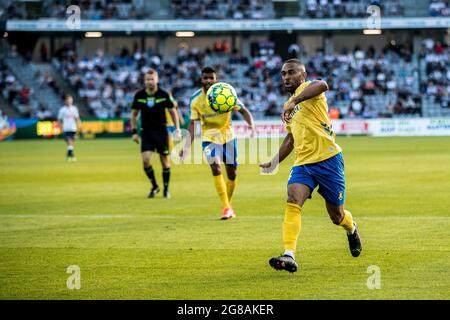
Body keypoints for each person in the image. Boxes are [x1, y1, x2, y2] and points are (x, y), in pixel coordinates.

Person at [260, 59, 362, 273]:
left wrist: (294, 100)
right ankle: (289, 255)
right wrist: (274, 162)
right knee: (293, 200)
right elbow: (291, 138)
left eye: (291, 73)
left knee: (337, 216)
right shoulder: (290, 106)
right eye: (283, 74)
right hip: (303, 164)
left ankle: (351, 228)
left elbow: (323, 84)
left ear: (302, 75)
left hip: (328, 160)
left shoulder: (309, 89)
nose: (286, 77)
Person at [179, 67, 255, 220]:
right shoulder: (195, 99)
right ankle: (226, 208)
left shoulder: (226, 92)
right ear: (201, 79)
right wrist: (186, 147)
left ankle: (228, 204)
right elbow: (193, 125)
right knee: (215, 166)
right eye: (205, 78)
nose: (208, 81)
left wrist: (251, 125)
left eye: (211, 78)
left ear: (216, 79)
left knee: (232, 173)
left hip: (228, 136)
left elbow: (243, 110)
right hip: (209, 138)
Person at [131, 69, 181, 199]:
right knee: (146, 161)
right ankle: (154, 186)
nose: (150, 82)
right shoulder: (139, 95)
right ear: (144, 81)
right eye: (148, 79)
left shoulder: (163, 94)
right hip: (146, 132)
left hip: (162, 132)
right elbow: (134, 114)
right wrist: (134, 132)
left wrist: (177, 129)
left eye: (152, 79)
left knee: (165, 161)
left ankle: (166, 189)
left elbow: (173, 111)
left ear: (157, 80)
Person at [58, 95, 82, 161]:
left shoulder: (74, 109)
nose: (69, 101)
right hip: (66, 128)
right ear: (65, 101)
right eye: (68, 100)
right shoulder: (62, 110)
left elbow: (77, 118)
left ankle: (69, 155)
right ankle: (71, 155)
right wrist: (60, 127)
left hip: (73, 128)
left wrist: (79, 124)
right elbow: (59, 120)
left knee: (72, 143)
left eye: (70, 100)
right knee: (69, 141)